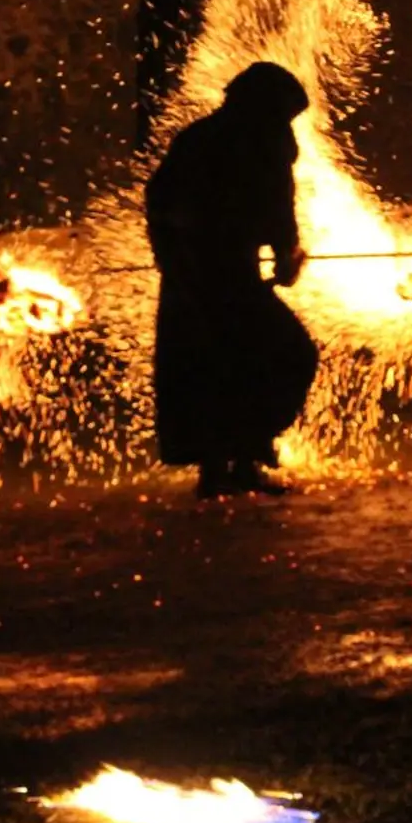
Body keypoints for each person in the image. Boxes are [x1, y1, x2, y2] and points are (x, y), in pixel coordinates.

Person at [145, 61, 319, 498]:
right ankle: (236, 457)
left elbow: (160, 202)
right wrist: (285, 251)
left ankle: (232, 463)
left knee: (217, 366)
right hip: (215, 275)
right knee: (284, 354)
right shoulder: (259, 141)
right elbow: (276, 204)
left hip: (198, 275)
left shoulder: (199, 139)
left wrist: (175, 262)